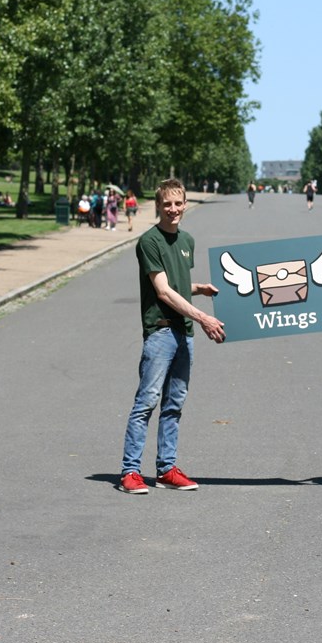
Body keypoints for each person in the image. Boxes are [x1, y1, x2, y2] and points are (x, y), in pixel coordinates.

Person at [119, 178, 225, 494]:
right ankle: (129, 472)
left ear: (185, 204)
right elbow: (163, 291)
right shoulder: (149, 242)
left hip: (184, 332)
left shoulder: (186, 241)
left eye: (178, 203)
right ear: (158, 206)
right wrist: (204, 317)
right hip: (161, 331)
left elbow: (176, 284)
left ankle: (166, 469)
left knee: (174, 404)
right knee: (147, 401)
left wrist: (199, 289)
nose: (173, 209)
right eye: (167, 204)